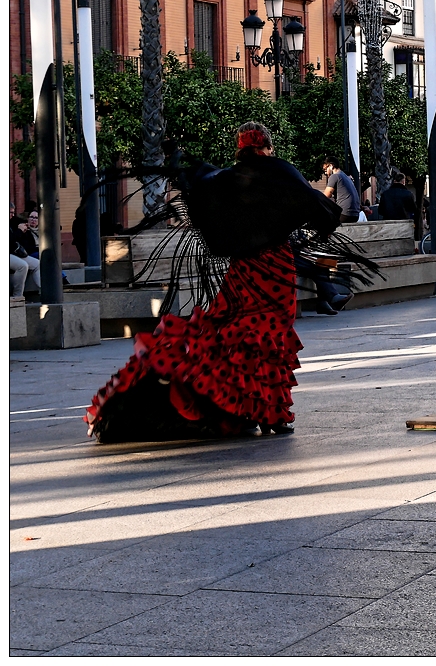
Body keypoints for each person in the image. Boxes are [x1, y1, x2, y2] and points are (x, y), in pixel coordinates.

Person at [84, 122, 373, 443]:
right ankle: (269, 414)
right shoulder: (281, 172)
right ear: (268, 147)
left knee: (236, 332)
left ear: (240, 148)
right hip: (276, 268)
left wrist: (177, 156)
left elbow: (200, 182)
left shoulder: (230, 179)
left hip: (244, 268)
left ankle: (245, 409)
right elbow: (319, 210)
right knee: (270, 335)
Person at [9, 202, 40, 297]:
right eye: (10, 212)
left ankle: (44, 291)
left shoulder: (11, 222)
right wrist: (19, 231)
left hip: (14, 252)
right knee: (23, 266)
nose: (12, 215)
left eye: (13, 213)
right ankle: (17, 296)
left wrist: (21, 231)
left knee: (37, 264)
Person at [322, 158, 361, 223]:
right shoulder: (346, 177)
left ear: (331, 166)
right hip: (355, 215)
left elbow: (325, 197)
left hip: (344, 214)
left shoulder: (334, 176)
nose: (325, 173)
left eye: (325, 169)